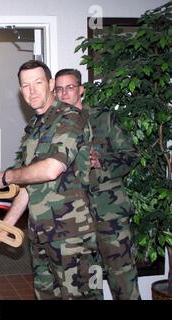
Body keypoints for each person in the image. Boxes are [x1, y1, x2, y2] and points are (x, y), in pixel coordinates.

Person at [0, 60, 103, 299]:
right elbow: (29, 186)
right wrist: (6, 224)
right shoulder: (34, 127)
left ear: (49, 84)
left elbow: (50, 170)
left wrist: (7, 177)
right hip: (40, 233)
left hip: (72, 236)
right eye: (25, 85)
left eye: (38, 83)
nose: (32, 91)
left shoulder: (70, 118)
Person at [54, 68, 140, 300]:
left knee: (123, 277)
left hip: (108, 213)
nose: (64, 94)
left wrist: (101, 161)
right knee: (87, 282)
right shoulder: (52, 128)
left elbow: (131, 155)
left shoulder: (103, 118)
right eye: (59, 89)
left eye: (70, 87)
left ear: (81, 90)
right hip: (73, 219)